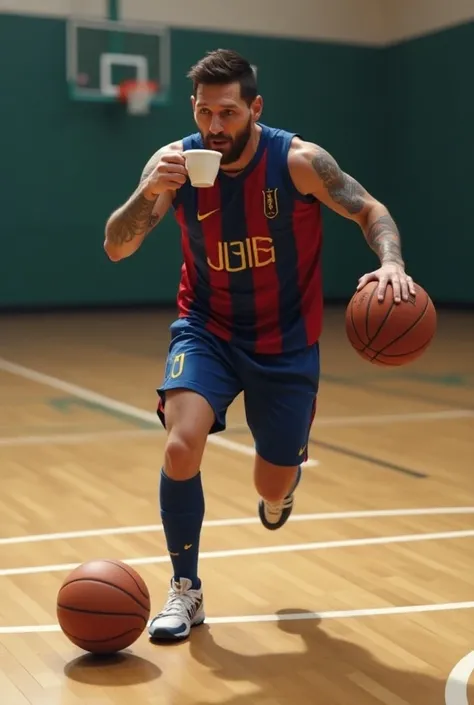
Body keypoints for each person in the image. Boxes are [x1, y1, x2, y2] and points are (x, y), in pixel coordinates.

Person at [104, 48, 415, 641]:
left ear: (255, 108)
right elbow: (117, 246)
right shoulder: (174, 164)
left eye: (227, 113)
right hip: (207, 328)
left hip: (286, 342)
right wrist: (149, 191)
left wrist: (392, 264)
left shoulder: (298, 161)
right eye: (203, 113)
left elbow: (368, 209)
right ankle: (186, 591)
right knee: (180, 445)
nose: (214, 128)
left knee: (270, 484)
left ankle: (282, 491)